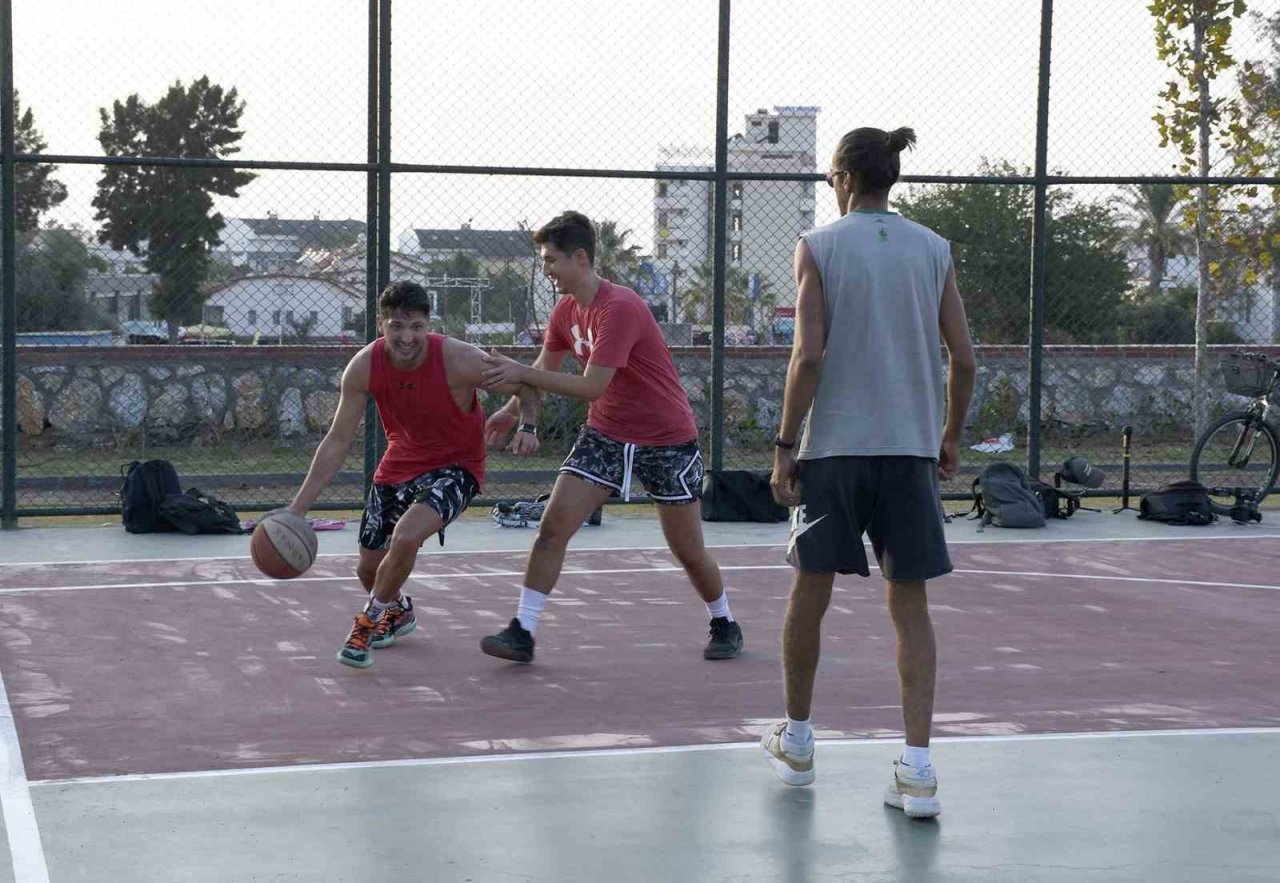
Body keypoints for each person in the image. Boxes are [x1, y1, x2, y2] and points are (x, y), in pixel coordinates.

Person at [759, 127, 977, 819]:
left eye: (829, 177)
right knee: (909, 606)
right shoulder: (933, 249)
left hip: (836, 454)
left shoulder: (819, 246)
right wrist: (949, 434)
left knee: (809, 592)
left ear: (847, 179)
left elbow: (808, 356)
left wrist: (785, 443)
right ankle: (918, 772)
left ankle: (797, 744)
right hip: (910, 451)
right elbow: (965, 359)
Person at [477, 210, 744, 663]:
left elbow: (590, 385)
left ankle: (724, 621)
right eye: (543, 261)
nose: (546, 271)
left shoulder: (620, 307)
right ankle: (522, 630)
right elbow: (545, 370)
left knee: (688, 550)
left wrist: (520, 374)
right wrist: (509, 410)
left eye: (551, 260)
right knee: (552, 528)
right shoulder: (565, 311)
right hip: (607, 433)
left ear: (580, 258)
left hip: (666, 438)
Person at [285, 280, 539, 669]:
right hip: (399, 465)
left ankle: (364, 627)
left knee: (405, 536)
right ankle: (398, 610)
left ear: (429, 324)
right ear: (381, 324)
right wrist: (297, 510)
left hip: (457, 467)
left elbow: (526, 384)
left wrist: (525, 424)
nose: (407, 337)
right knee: (369, 567)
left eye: (416, 327)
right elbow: (337, 440)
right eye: (397, 327)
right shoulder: (365, 366)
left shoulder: (458, 358)